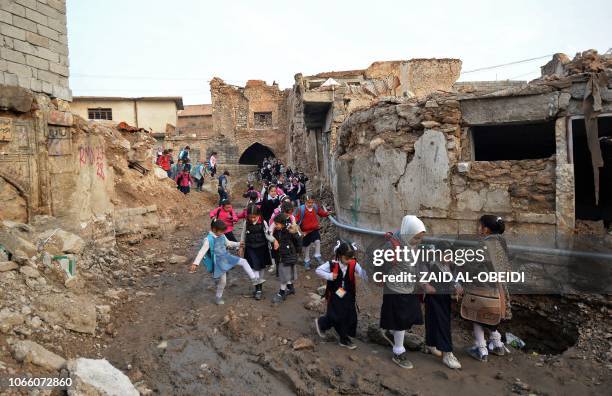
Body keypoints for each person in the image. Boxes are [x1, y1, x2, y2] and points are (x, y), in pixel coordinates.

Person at [379, 215, 426, 369]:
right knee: (401, 319)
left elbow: (416, 264)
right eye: (416, 238)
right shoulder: (392, 246)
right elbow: (381, 264)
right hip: (396, 288)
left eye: (419, 238)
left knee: (407, 316)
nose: (418, 241)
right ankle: (398, 352)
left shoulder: (412, 244)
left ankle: (393, 332)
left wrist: (421, 279)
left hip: (409, 287)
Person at [464, 215, 512, 362]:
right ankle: (497, 345)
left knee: (477, 316)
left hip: (484, 287)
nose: (479, 229)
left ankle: (481, 349)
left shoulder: (484, 245)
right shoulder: (501, 243)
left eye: (480, 226)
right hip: (500, 288)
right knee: (492, 315)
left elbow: (473, 266)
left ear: (486, 229)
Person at [189, 220, 265, 305]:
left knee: (243, 261)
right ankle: (218, 297)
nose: (222, 233)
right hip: (219, 262)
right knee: (223, 281)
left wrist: (238, 244)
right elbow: (201, 252)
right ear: (214, 229)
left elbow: (228, 243)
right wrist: (195, 263)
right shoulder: (208, 240)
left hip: (226, 256)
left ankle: (254, 279)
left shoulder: (222, 235)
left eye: (223, 231)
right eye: (221, 231)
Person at [314, 241, 367, 350]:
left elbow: (362, 272)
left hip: (348, 293)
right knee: (338, 315)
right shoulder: (333, 264)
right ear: (340, 255)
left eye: (351, 258)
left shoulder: (353, 263)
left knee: (351, 314)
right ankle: (343, 338)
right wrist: (329, 275)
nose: (349, 261)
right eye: (347, 258)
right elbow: (318, 270)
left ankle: (326, 325)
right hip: (336, 293)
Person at [420, 241, 463, 369]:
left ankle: (431, 344)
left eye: (451, 256)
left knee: (439, 321)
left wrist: (457, 287)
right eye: (447, 255)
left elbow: (455, 279)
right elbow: (422, 276)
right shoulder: (430, 263)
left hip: (445, 298)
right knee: (437, 322)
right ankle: (447, 353)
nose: (449, 259)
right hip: (433, 296)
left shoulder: (451, 265)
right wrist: (425, 285)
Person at [240, 204, 277, 300]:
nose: (252, 219)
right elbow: (243, 235)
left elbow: (268, 235)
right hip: (250, 248)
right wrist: (241, 246)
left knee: (261, 268)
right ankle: (258, 289)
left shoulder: (263, 223)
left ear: (258, 215)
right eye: (250, 217)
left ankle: (259, 288)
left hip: (262, 248)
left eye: (254, 217)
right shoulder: (246, 223)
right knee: (254, 268)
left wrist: (274, 240)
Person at [294, 194, 330, 270]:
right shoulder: (301, 210)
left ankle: (317, 255)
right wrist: (297, 229)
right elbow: (295, 220)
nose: (310, 204)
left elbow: (321, 213)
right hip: (305, 232)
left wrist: (327, 213)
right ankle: (307, 260)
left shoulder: (315, 207)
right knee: (307, 246)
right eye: (308, 203)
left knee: (317, 241)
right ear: (305, 202)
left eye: (311, 202)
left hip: (314, 229)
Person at [271, 213, 302, 303]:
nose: (275, 226)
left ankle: (281, 293)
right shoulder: (277, 231)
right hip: (281, 256)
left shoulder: (290, 230)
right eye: (275, 224)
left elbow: (299, 238)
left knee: (283, 275)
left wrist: (297, 251)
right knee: (284, 273)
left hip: (288, 256)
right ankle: (291, 288)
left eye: (277, 224)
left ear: (283, 223)